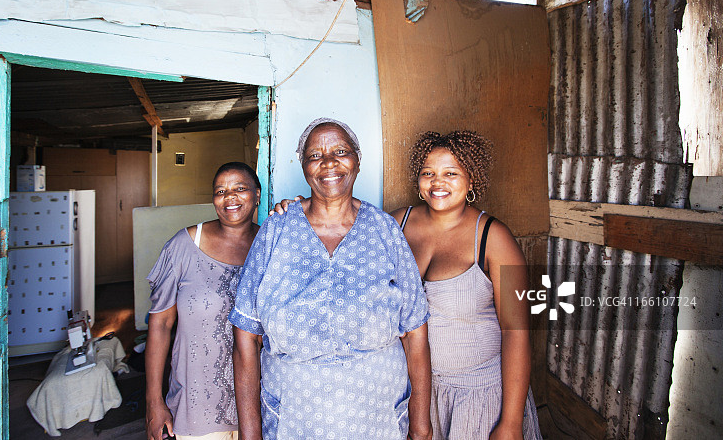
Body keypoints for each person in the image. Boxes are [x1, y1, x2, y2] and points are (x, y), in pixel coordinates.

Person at [229, 118, 432, 440]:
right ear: (304, 167)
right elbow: (245, 335)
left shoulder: (384, 229)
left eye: (340, 151)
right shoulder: (277, 230)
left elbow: (415, 330)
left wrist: (421, 424)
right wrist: (250, 432)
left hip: (378, 416)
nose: (328, 163)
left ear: (357, 160)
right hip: (293, 416)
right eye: (315, 155)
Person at [389, 130, 542, 440]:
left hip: (479, 399)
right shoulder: (396, 224)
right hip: (414, 395)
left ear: (472, 180)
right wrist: (300, 209)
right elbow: (342, 232)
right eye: (428, 173)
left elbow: (517, 332)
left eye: (451, 173)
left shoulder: (495, 239)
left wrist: (511, 423)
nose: (437, 182)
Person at [145, 162, 261, 440]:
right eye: (220, 191)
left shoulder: (269, 246)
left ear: (257, 194)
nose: (229, 197)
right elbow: (160, 325)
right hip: (195, 408)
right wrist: (153, 402)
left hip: (258, 407)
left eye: (240, 188)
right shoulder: (184, 245)